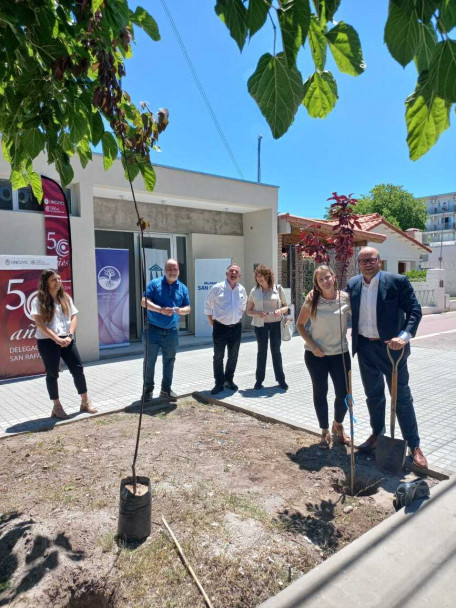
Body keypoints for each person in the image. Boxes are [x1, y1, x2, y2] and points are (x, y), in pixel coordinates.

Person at [347, 247, 427, 469]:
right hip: (364, 348)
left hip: (392, 349)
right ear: (358, 264)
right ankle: (376, 435)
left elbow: (414, 311)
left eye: (371, 259)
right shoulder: (353, 284)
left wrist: (404, 336)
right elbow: (339, 304)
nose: (367, 264)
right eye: (362, 261)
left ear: (379, 261)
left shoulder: (397, 281)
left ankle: (414, 445)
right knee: (373, 396)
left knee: (401, 397)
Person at [296, 265, 351, 449]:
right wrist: (313, 345)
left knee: (344, 395)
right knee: (320, 393)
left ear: (334, 277)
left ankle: (338, 424)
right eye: (321, 280)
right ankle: (324, 431)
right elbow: (300, 325)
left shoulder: (345, 299)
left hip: (340, 354)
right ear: (317, 284)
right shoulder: (312, 300)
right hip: (315, 355)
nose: (325, 281)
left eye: (327, 277)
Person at [31, 269, 97, 419]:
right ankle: (57, 406)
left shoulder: (65, 298)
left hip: (67, 339)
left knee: (78, 369)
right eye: (54, 279)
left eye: (59, 279)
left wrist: (70, 335)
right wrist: (56, 338)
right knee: (52, 373)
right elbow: (40, 324)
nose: (58, 282)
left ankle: (85, 402)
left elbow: (73, 317)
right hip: (48, 341)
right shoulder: (38, 300)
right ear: (46, 282)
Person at [141, 259, 191, 402]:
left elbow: (188, 308)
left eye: (174, 269)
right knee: (149, 362)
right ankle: (147, 390)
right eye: (169, 268)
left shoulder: (183, 288)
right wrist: (160, 310)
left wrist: (178, 310)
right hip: (153, 330)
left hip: (172, 332)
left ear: (178, 271)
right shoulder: (154, 284)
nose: (172, 271)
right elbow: (143, 301)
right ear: (164, 270)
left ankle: (166, 390)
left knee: (169, 361)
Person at [204, 263, 247, 395]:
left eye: (236, 272)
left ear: (239, 275)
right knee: (218, 356)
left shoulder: (242, 290)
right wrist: (213, 322)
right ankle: (219, 383)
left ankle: (229, 380)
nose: (233, 274)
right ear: (226, 273)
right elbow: (207, 306)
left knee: (233, 356)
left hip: (236, 328)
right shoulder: (217, 288)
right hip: (220, 328)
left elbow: (243, 307)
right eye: (231, 271)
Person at [246, 264, 289, 390]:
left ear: (267, 276)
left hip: (275, 323)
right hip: (261, 325)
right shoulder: (254, 291)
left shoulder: (278, 288)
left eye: (261, 276)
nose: (259, 279)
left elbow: (287, 306)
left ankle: (281, 380)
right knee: (261, 352)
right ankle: (259, 380)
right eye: (257, 276)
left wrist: (280, 311)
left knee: (276, 352)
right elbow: (249, 311)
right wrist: (258, 314)